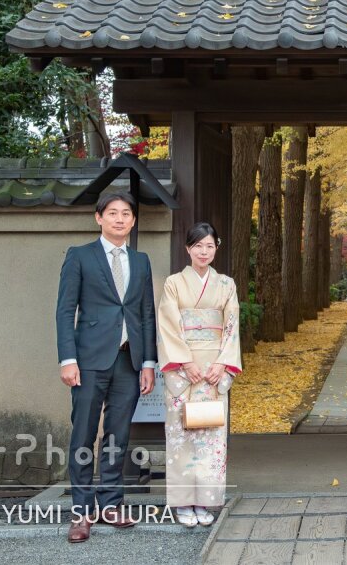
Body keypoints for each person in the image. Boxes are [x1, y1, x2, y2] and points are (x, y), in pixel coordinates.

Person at [56, 192, 157, 543]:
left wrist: (148, 363)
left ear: (132, 220)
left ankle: (111, 504)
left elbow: (146, 314)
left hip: (129, 361)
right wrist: (67, 358)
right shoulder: (80, 256)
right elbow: (66, 310)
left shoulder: (141, 261)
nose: (119, 219)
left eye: (125, 214)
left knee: (118, 434)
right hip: (88, 361)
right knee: (83, 433)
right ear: (98, 218)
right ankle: (82, 513)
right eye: (112, 213)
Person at [157, 222, 241, 528]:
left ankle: (206, 500)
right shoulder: (174, 284)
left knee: (210, 435)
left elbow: (231, 326)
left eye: (209, 246)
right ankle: (181, 503)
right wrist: (184, 362)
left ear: (216, 248)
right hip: (185, 369)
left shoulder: (226, 285)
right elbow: (167, 324)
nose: (203, 252)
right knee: (182, 436)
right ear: (187, 249)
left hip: (214, 368)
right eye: (197, 246)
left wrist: (223, 363)